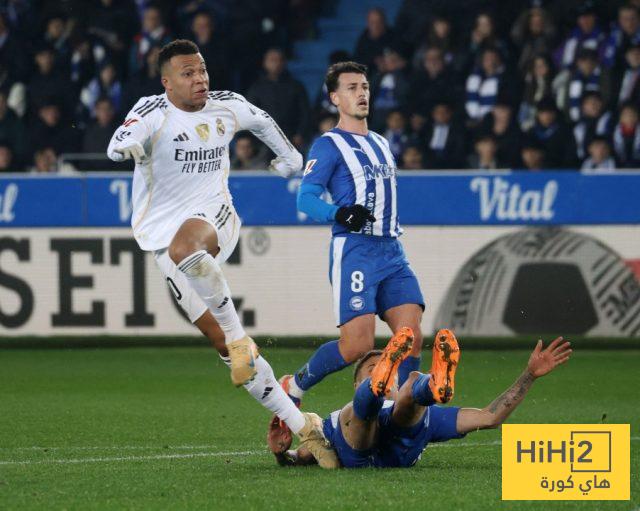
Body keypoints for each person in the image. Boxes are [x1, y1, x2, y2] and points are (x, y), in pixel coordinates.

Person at [106, 39, 338, 469]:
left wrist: (290, 158)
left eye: (202, 70)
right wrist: (126, 148)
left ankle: (238, 335)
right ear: (167, 82)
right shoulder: (151, 111)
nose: (200, 79)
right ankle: (304, 426)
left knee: (188, 252)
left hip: (216, 217)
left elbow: (262, 120)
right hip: (163, 239)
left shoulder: (226, 105)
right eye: (188, 73)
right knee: (227, 350)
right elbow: (120, 139)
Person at [285, 61, 425, 412]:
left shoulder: (381, 142)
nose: (361, 93)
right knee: (357, 346)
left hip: (392, 250)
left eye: (364, 86)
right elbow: (305, 199)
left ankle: (402, 412)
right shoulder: (328, 145)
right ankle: (294, 384)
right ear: (335, 98)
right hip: (356, 250)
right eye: (351, 88)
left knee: (411, 338)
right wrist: (340, 213)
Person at [269, 329, 572, 468]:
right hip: (362, 440)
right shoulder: (333, 420)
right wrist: (283, 454)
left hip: (388, 437)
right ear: (356, 381)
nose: (378, 368)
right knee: (360, 412)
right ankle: (416, 386)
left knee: (411, 388)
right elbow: (303, 455)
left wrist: (530, 374)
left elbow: (490, 416)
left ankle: (434, 385)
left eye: (384, 369)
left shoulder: (402, 398)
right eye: (372, 369)